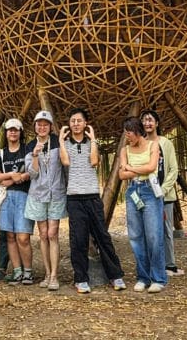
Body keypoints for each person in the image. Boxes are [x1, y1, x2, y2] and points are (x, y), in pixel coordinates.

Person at [58, 107, 126, 293]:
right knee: (78, 239)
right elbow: (65, 162)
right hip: (74, 198)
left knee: (102, 236)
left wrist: (93, 137)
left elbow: (94, 161)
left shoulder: (91, 143)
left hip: (92, 196)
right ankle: (80, 278)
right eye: (72, 121)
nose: (76, 124)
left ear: (85, 123)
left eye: (79, 120)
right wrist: (61, 141)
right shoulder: (66, 144)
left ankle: (115, 275)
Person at [118, 117, 166, 293]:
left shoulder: (154, 145)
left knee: (153, 235)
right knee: (136, 236)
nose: (128, 137)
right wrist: (136, 169)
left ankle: (158, 278)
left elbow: (151, 167)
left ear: (138, 132)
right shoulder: (125, 150)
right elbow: (121, 175)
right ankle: (143, 277)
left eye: (129, 134)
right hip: (133, 192)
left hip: (150, 191)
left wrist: (131, 168)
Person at [24, 110, 67, 290]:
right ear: (35, 127)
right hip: (38, 194)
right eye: (39, 124)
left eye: (45, 124)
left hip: (56, 193)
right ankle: (47, 273)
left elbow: (66, 164)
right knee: (42, 235)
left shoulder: (58, 142)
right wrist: (34, 155)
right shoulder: (30, 146)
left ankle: (55, 276)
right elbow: (32, 174)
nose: (42, 127)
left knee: (52, 234)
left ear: (50, 127)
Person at [0, 118, 34, 285]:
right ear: (6, 133)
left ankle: (28, 271)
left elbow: (31, 172)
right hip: (5, 198)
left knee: (23, 237)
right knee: (9, 235)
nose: (13, 132)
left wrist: (17, 178)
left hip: (24, 196)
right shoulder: (1, 154)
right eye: (10, 130)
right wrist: (12, 176)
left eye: (16, 129)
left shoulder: (27, 150)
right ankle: (17, 271)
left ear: (20, 132)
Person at [140, 109, 183, 277]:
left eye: (151, 120)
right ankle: (153, 265)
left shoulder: (166, 143)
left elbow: (173, 169)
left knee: (166, 231)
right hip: (146, 194)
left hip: (165, 195)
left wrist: (162, 190)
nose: (148, 123)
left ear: (157, 123)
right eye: (145, 120)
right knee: (149, 231)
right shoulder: (141, 143)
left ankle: (170, 264)